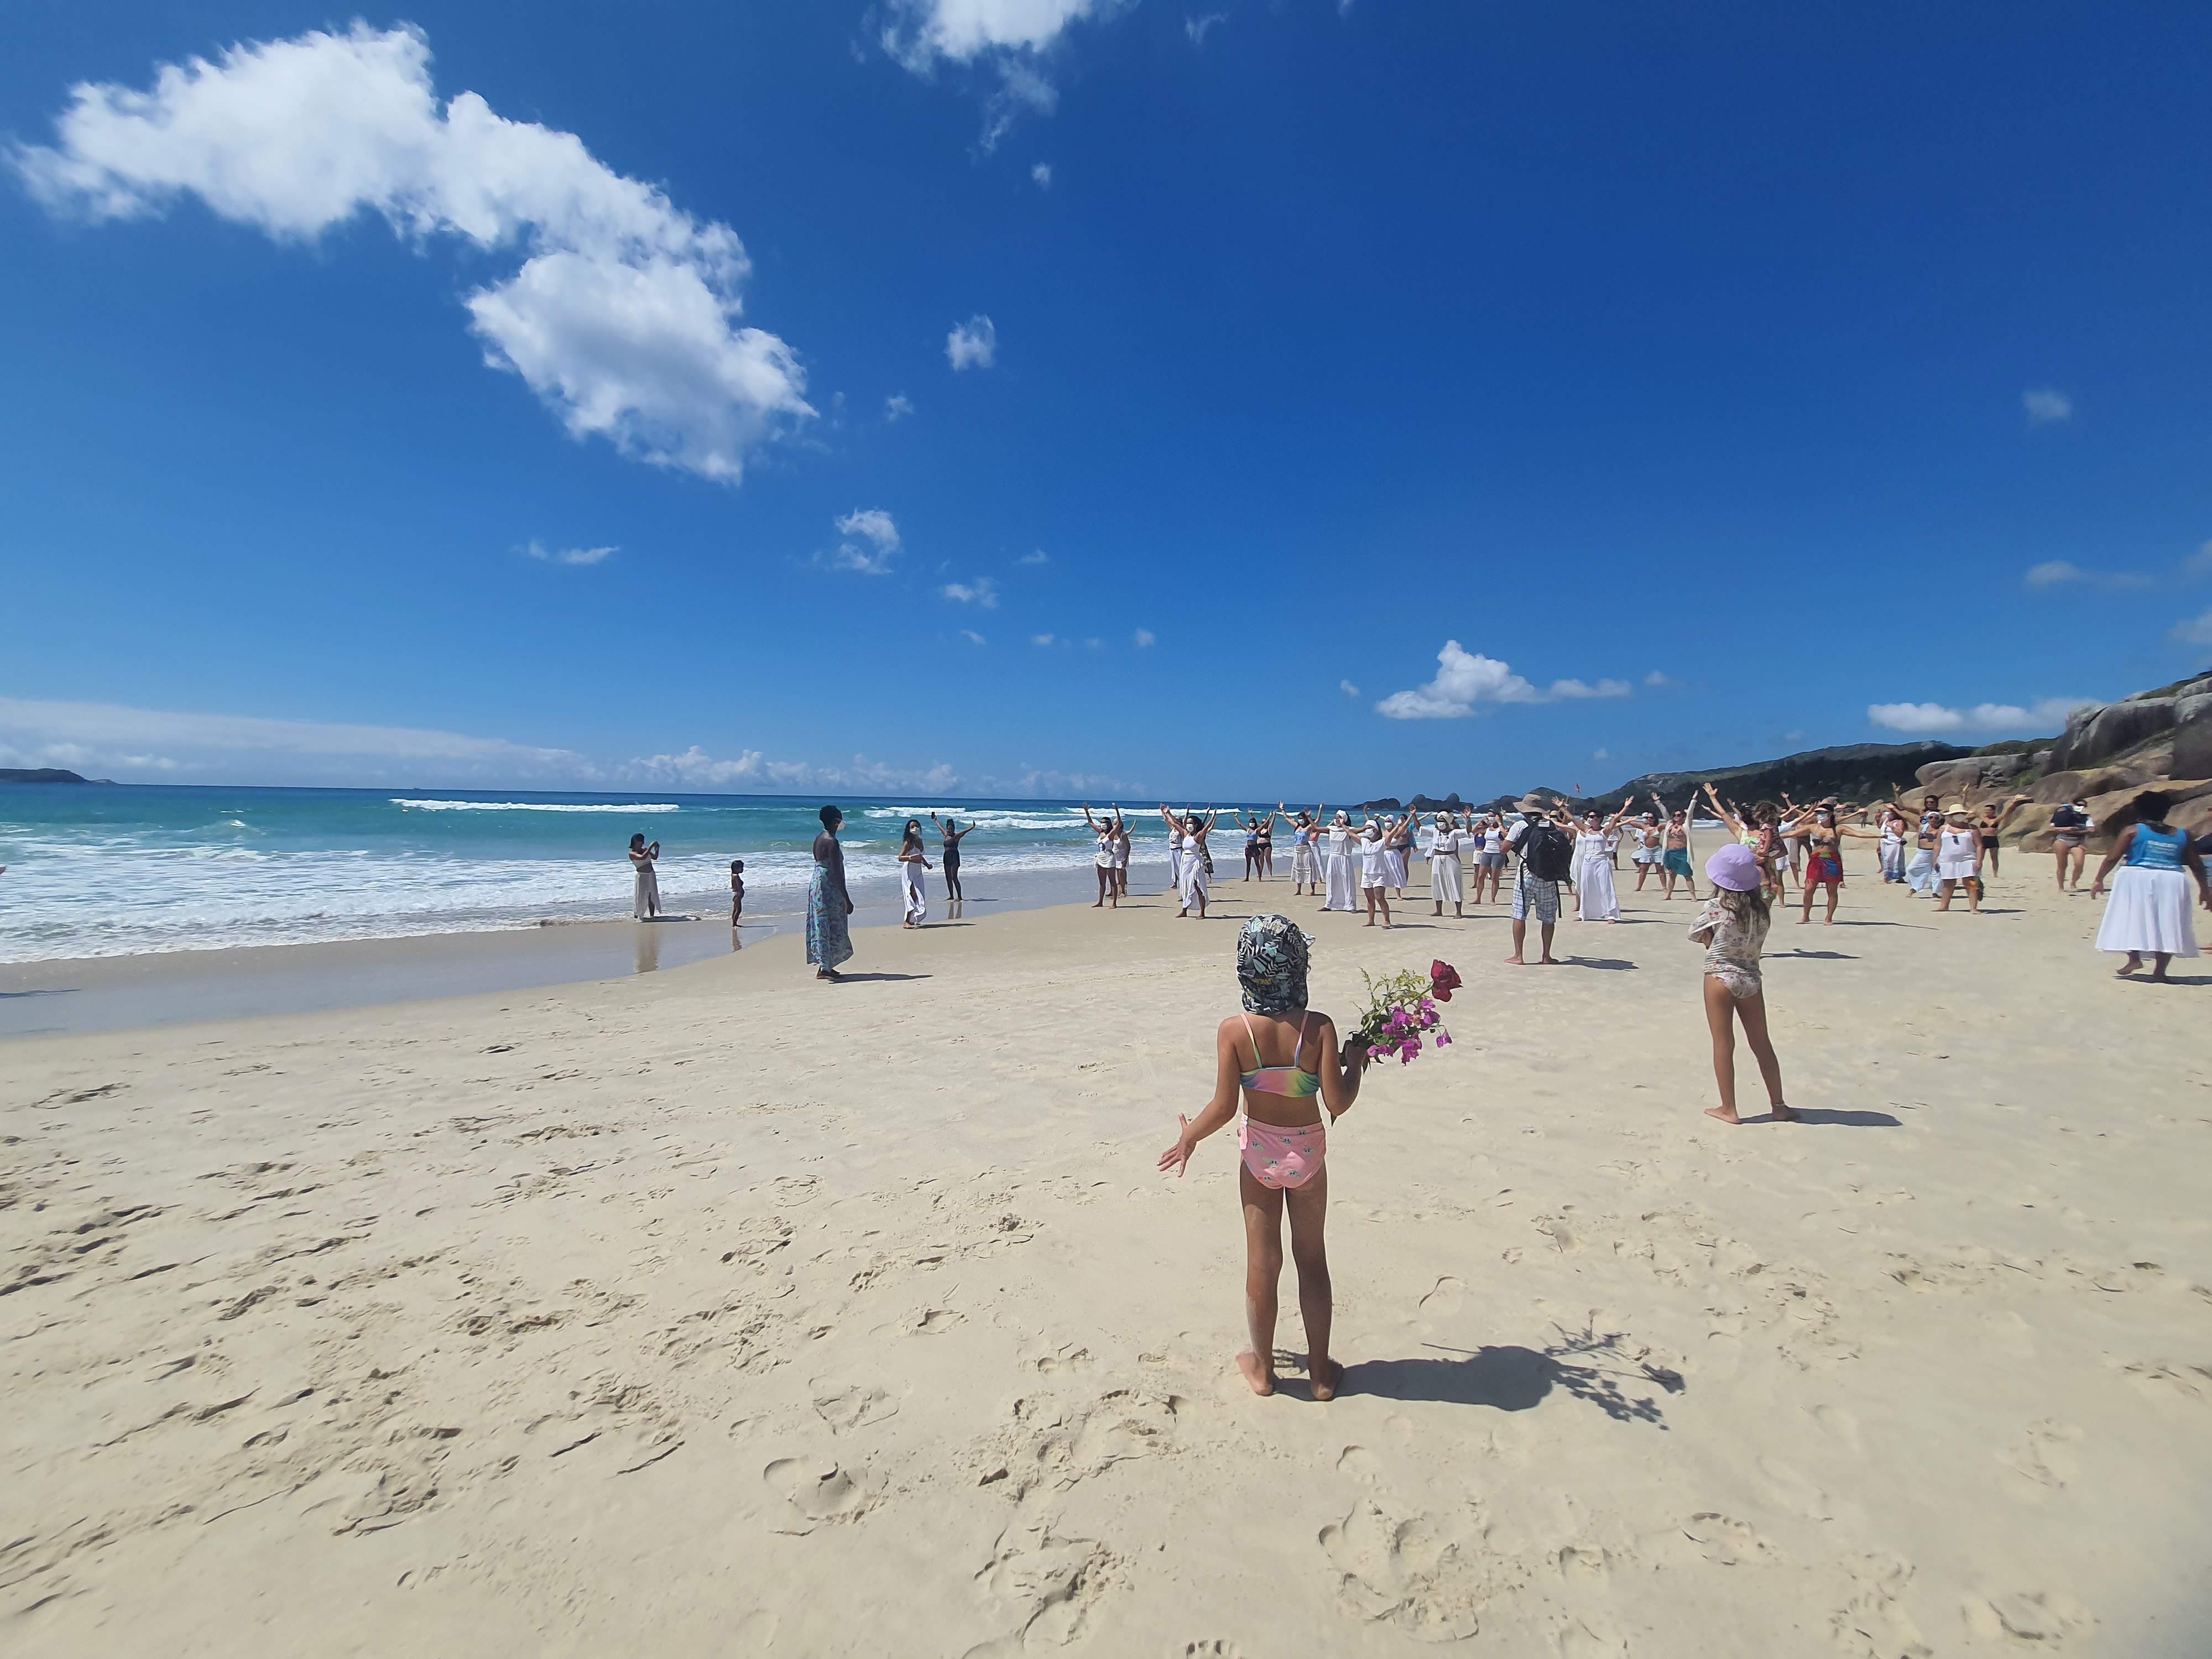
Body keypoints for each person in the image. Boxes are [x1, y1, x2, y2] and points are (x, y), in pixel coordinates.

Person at [1156, 914, 1370, 1400]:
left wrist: (1190, 1136)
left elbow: (1225, 1106)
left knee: (1262, 1260)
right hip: (1309, 1152)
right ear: (1299, 969)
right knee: (1312, 1258)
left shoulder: (1236, 1032)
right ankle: (1320, 1374)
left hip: (1259, 1154)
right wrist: (1354, 1064)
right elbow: (1337, 1102)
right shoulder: (1319, 1029)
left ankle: (1263, 1370)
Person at [1690, 843, 1792, 1124]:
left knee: (1724, 1043)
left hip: (1720, 974)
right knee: (1762, 1043)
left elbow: (1699, 936)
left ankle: (1729, 1108)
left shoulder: (1716, 906)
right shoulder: (1762, 911)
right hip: (1751, 977)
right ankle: (1779, 1104)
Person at [2090, 790, 2211, 980]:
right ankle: (2160, 971)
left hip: (2137, 877)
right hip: (2172, 879)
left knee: (2132, 917)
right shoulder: (2183, 835)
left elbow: (2113, 857)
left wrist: (2099, 879)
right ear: (2165, 812)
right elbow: (2196, 865)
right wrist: (2204, 890)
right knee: (2168, 923)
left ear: (2140, 812)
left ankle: (2134, 957)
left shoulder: (2133, 831)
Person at [1506, 806, 1572, 964]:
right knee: (1548, 918)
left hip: (1526, 875)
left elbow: (1504, 850)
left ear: (1524, 811)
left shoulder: (1520, 825)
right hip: (1548, 876)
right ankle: (1546, 956)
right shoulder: (1551, 825)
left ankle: (1519, 956)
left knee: (1519, 915)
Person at [1794, 805, 1880, 924]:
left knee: (1832, 890)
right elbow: (1793, 833)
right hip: (1816, 861)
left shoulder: (1838, 829)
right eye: (1818, 812)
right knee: (1809, 889)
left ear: (1830, 814)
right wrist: (1776, 835)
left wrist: (1880, 836)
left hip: (1832, 861)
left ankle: (1829, 918)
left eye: (1822, 813)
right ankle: (1806, 916)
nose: (1819, 815)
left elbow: (1858, 834)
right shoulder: (1813, 827)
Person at [807, 805, 854, 980]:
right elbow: (836, 873)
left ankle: (824, 966)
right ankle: (825, 968)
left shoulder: (819, 838)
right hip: (828, 886)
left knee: (822, 924)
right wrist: (846, 898)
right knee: (832, 923)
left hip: (817, 883)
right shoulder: (832, 842)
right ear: (836, 821)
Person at [1572, 800, 1631, 922]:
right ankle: (1584, 914)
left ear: (1600, 819)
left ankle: (1611, 915)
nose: (1590, 819)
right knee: (1586, 887)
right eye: (1589, 817)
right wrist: (1563, 809)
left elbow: (1615, 820)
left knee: (1605, 888)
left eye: (1593, 817)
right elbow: (1573, 819)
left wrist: (1625, 807)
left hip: (1601, 862)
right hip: (1588, 862)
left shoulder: (1605, 831)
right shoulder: (1586, 830)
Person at [1160, 805, 1219, 918]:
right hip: (1185, 862)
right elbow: (1174, 823)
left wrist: (1212, 818)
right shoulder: (1185, 834)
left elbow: (1206, 828)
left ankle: (1202, 912)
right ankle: (1184, 910)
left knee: (1198, 886)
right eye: (1187, 823)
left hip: (1195, 862)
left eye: (1191, 823)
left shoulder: (1198, 836)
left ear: (1196, 825)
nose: (1188, 825)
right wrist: (1167, 813)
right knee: (1185, 886)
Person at [1934, 808, 1982, 913]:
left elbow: (1979, 845)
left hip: (1968, 859)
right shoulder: (1943, 829)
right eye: (1955, 814)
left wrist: (1979, 861)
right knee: (1948, 882)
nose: (1959, 816)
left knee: (1970, 882)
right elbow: (1938, 845)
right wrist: (1935, 859)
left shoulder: (1972, 829)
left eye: (1961, 814)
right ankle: (1944, 905)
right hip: (1947, 859)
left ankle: (1973, 907)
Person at [1653, 797, 1698, 900]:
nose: (1676, 817)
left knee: (1687, 875)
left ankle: (1693, 896)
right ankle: (1668, 895)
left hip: (1682, 853)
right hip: (1670, 853)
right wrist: (1658, 802)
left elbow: (1690, 814)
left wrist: (1693, 801)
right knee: (1672, 875)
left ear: (1683, 817)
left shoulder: (1686, 826)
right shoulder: (1669, 825)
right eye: (1675, 815)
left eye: (1679, 815)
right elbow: (1664, 812)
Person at [1426, 812, 1467, 917]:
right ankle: (1439, 910)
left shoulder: (1454, 833)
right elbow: (1419, 828)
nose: (1440, 824)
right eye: (1439, 822)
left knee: (1455, 883)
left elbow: (1468, 831)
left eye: (1442, 822)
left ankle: (1459, 912)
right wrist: (1414, 816)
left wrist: (1468, 819)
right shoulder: (1435, 832)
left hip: (1450, 859)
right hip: (1437, 859)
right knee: (1437, 883)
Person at [930, 811, 976, 904]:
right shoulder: (946, 835)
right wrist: (935, 820)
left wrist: (972, 827)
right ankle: (951, 896)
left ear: (954, 829)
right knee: (948, 877)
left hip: (955, 857)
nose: (949, 830)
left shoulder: (956, 837)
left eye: (951, 829)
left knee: (954, 877)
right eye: (948, 829)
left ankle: (959, 897)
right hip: (946, 857)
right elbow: (940, 827)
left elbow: (964, 832)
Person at [2051, 795, 2094, 894]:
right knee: (2062, 865)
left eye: (2083, 806)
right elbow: (2052, 827)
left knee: (2079, 864)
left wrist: (2077, 831)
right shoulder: (2063, 816)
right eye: (2078, 805)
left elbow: (2092, 830)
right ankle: (2061, 887)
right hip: (2062, 840)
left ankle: (2073, 883)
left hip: (2077, 842)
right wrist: (2067, 829)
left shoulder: (2086, 817)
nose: (2081, 807)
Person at [1357, 814, 1393, 928]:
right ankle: (1371, 920)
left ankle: (1387, 920)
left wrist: (1401, 825)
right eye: (1366, 828)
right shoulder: (1364, 842)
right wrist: (1343, 825)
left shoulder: (1382, 842)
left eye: (1369, 828)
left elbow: (1393, 834)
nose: (1367, 831)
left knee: (1380, 897)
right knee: (1370, 899)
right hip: (1367, 874)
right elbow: (1350, 832)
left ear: (1376, 831)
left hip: (1379, 874)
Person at [1082, 804, 1121, 909]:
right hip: (1100, 858)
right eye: (1101, 823)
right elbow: (1090, 822)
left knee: (1112, 881)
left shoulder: (1111, 834)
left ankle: (1114, 903)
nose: (1102, 824)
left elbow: (1119, 824)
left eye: (1104, 823)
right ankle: (1100, 902)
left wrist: (1117, 810)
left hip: (1109, 857)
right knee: (1102, 882)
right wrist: (1086, 811)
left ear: (1108, 824)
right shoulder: (1100, 832)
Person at [1321, 811, 1360, 913]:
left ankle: (1350, 905)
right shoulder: (1332, 829)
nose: (1337, 819)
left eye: (1339, 817)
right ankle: (1330, 904)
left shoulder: (1349, 830)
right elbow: (1316, 829)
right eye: (1336, 817)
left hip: (1345, 858)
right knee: (1331, 880)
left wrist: (1343, 825)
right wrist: (1309, 818)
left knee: (1347, 881)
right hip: (1333, 857)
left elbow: (1360, 830)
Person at [898, 818, 932, 927]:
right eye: (912, 827)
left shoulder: (920, 841)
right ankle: (907, 921)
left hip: (918, 870)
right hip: (909, 869)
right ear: (909, 829)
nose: (915, 828)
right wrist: (911, 857)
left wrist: (927, 865)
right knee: (911, 893)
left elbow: (921, 856)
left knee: (919, 894)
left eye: (916, 826)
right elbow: (900, 857)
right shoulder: (909, 843)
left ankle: (913, 918)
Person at [1288, 806, 1324, 895]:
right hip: (1297, 850)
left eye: (1301, 818)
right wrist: (1282, 809)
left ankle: (1313, 890)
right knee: (1298, 869)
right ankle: (1299, 890)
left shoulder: (1308, 827)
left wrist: (1320, 809)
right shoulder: (1297, 826)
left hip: (1306, 850)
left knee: (1309, 869)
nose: (1300, 820)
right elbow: (1286, 819)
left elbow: (1317, 821)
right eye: (1299, 818)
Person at [1473, 812, 1507, 905]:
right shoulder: (1487, 828)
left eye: (1493, 816)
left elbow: (1506, 835)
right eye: (1489, 816)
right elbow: (1473, 831)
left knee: (1494, 878)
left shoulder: (1501, 828)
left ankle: (1493, 899)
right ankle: (1478, 898)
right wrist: (1480, 821)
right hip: (1486, 853)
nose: (1491, 818)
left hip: (1498, 854)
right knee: (1481, 876)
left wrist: (1500, 823)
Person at [628, 833, 661, 921]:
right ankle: (637, 915)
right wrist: (651, 846)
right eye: (640, 842)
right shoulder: (632, 854)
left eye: (643, 841)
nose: (642, 843)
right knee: (641, 896)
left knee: (652, 895)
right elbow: (643, 857)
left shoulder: (645, 850)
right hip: (642, 876)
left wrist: (657, 849)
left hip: (651, 874)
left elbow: (655, 857)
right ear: (635, 842)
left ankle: (652, 916)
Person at [1631, 812, 1665, 891]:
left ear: (1655, 819)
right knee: (1643, 869)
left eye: (1651, 818)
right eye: (1648, 818)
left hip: (1657, 850)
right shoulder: (1644, 827)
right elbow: (1632, 823)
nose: (1649, 819)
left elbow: (1669, 823)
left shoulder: (1658, 827)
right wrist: (1630, 819)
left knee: (1660, 869)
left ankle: (1664, 887)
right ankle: (1639, 887)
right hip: (1646, 850)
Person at [1112, 810, 1133, 899]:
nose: (1115, 825)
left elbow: (1129, 847)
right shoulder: (1113, 834)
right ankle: (1119, 889)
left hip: (1122, 856)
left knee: (1122, 873)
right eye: (1114, 824)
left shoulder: (1123, 835)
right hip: (1115, 856)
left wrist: (1126, 858)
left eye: (1116, 823)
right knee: (1117, 873)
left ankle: (1123, 891)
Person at [729, 859, 745, 925]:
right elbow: (739, 887)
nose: (743, 869)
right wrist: (741, 892)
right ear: (737, 869)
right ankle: (734, 923)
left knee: (736, 908)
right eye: (741, 868)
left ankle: (734, 923)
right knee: (738, 910)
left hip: (736, 894)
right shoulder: (736, 877)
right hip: (737, 895)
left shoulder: (734, 876)